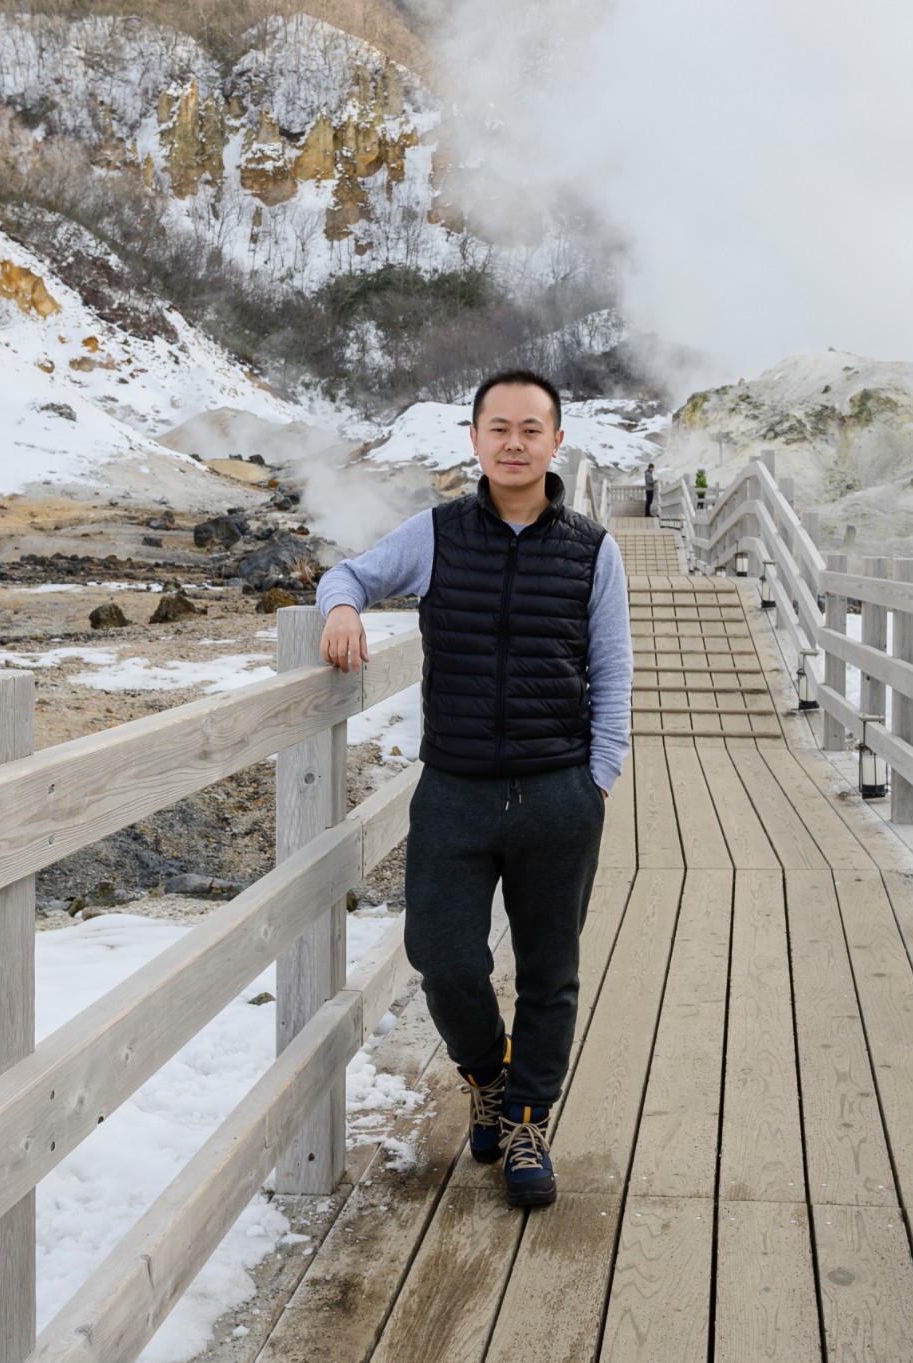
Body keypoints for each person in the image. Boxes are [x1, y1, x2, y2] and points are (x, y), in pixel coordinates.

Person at [314, 369, 633, 1209]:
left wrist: (598, 777)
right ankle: (487, 1073)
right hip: (454, 788)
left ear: (557, 442)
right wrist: (342, 610)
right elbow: (348, 573)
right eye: (500, 428)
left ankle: (526, 1120)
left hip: (558, 788)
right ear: (475, 439)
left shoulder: (593, 548)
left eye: (532, 428)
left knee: (549, 970)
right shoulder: (434, 533)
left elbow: (612, 670)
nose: (515, 442)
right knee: (442, 955)